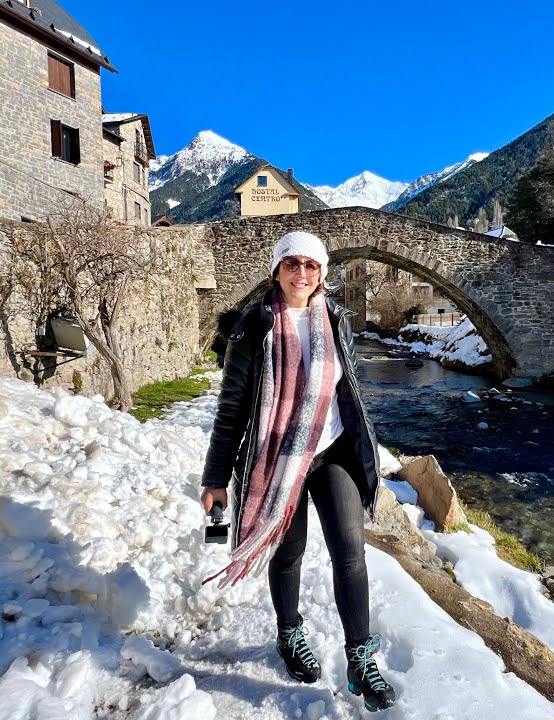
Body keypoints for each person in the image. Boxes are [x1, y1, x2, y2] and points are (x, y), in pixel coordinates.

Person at [199, 231, 398, 712]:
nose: (302, 274)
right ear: (276, 269)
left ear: (322, 273)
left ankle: (360, 658)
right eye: (293, 264)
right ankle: (289, 634)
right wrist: (215, 477)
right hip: (277, 458)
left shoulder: (335, 319)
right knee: (288, 554)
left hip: (332, 450)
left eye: (312, 266)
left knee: (350, 552)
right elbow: (231, 410)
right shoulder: (252, 329)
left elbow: (345, 388)